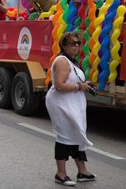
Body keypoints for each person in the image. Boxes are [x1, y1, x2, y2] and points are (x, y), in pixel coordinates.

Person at [45, 32, 96, 186]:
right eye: (73, 43)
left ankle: (82, 171)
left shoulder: (71, 61)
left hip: (71, 104)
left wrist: (85, 84)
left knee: (76, 134)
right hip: (61, 104)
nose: (77, 46)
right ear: (64, 45)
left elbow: (72, 80)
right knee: (64, 136)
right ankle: (61, 174)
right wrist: (80, 86)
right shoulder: (62, 61)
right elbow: (59, 85)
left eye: (78, 43)